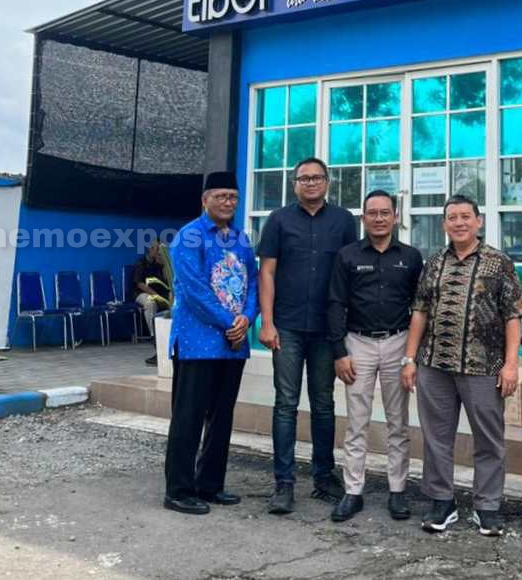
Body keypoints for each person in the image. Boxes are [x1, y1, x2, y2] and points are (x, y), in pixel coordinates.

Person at [400, 195, 522, 537]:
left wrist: (511, 365)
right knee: (436, 438)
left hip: (483, 367)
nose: (459, 223)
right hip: (434, 365)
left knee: (488, 439)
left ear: (478, 221)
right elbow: (420, 311)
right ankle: (442, 501)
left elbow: (513, 316)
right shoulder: (434, 263)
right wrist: (409, 359)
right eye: (452, 217)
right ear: (444, 224)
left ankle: (487, 506)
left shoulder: (498, 262)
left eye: (465, 216)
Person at [258, 157, 358, 514]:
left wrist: (346, 329)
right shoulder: (278, 220)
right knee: (286, 403)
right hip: (286, 326)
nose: (311, 183)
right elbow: (266, 273)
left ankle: (323, 476)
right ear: (294, 184)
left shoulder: (343, 221)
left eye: (317, 177)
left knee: (324, 403)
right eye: (304, 178)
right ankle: (283, 483)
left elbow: (350, 274)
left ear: (327, 182)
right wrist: (267, 322)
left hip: (326, 329)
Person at [163, 171, 258, 515]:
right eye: (220, 196)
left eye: (233, 197)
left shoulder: (240, 239)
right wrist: (230, 322)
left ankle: (210, 484)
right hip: (196, 342)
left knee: (221, 418)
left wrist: (247, 317)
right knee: (188, 418)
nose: (227, 202)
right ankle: (178, 490)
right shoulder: (188, 237)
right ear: (205, 200)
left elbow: (253, 283)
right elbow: (194, 291)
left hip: (232, 345)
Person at [326, 190, 423, 522]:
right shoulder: (347, 256)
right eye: (372, 213)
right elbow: (335, 303)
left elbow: (420, 308)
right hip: (358, 343)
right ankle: (353, 491)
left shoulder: (411, 257)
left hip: (398, 343)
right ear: (363, 217)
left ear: (395, 216)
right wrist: (339, 352)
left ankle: (398, 491)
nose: (379, 218)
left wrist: (412, 356)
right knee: (357, 423)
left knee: (398, 422)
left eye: (385, 212)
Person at [131, 239, 169, 366]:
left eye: (160, 250)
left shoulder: (160, 264)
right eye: (157, 249)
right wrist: (155, 295)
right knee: (150, 303)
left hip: (160, 294)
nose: (158, 252)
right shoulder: (141, 263)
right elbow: (140, 284)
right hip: (142, 294)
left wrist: (163, 264)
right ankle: (154, 337)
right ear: (150, 249)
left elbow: (167, 280)